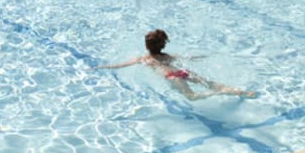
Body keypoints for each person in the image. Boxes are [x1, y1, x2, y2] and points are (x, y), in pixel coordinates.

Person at [97, 29, 256, 101]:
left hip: (172, 77)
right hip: (182, 72)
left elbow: (119, 66)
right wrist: (205, 56)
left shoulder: (143, 59)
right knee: (211, 84)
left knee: (192, 97)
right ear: (163, 45)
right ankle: (239, 92)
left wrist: (101, 68)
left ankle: (218, 94)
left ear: (146, 46)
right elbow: (188, 57)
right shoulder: (168, 56)